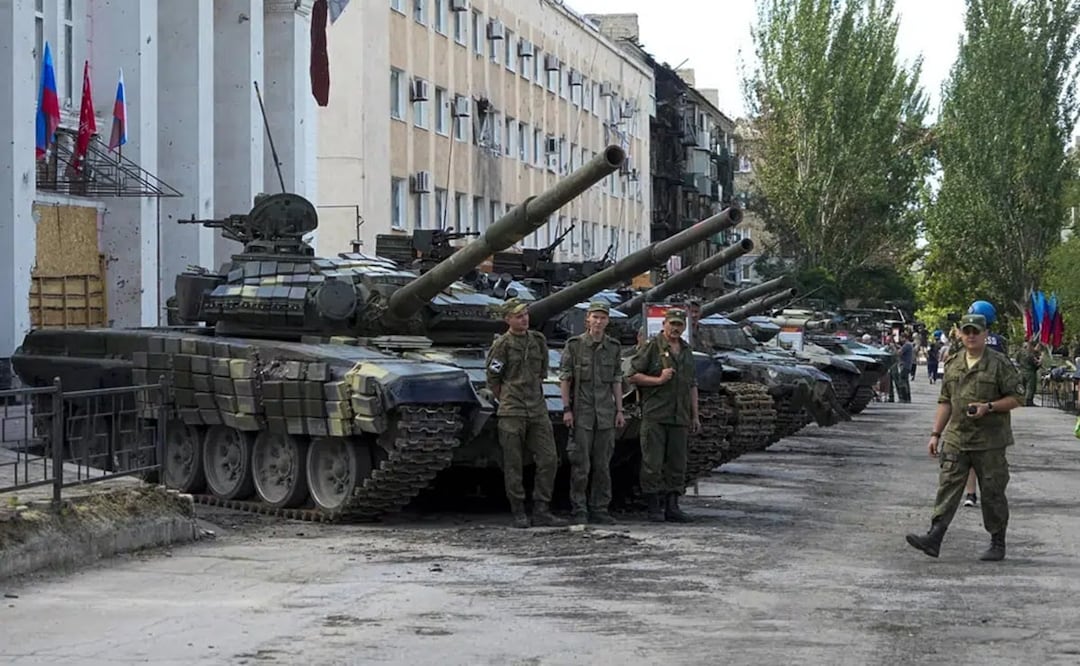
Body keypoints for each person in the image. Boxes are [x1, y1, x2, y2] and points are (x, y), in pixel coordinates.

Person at [905, 313, 1024, 561]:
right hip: (957, 437)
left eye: (975, 331)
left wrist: (988, 407)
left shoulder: (999, 364)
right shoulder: (954, 363)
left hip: (990, 441)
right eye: (966, 331)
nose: (970, 335)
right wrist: (935, 434)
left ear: (985, 334)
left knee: (992, 492)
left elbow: (1016, 398)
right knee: (948, 486)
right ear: (959, 333)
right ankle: (934, 537)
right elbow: (945, 401)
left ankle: (997, 542)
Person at [486, 299, 567, 529]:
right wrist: (509, 398)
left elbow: (542, 372)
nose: (524, 318)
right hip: (512, 410)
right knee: (513, 463)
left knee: (549, 459)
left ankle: (542, 509)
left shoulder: (538, 340)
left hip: (537, 407)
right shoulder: (502, 345)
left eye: (526, 314)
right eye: (518, 315)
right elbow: (493, 378)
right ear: (508, 319)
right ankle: (518, 510)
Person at [627, 308, 701, 522]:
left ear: (684, 327)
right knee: (653, 462)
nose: (675, 328)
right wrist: (658, 380)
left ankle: (672, 506)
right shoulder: (652, 347)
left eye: (679, 324)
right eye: (672, 324)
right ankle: (653, 507)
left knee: (677, 462)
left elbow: (692, 385)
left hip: (679, 415)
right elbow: (632, 375)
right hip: (656, 414)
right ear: (664, 325)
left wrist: (695, 415)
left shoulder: (686, 350)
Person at [559, 301, 626, 525]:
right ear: (587, 319)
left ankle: (600, 508)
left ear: (607, 320)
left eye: (602, 318)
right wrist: (567, 408)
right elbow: (565, 378)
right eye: (595, 317)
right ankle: (579, 508)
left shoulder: (614, 347)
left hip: (606, 413)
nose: (598, 321)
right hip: (582, 412)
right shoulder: (575, 345)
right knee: (581, 465)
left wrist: (619, 410)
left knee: (602, 465)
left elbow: (617, 379)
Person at [1017, 341, 1040, 407]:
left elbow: (1017, 360)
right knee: (1030, 387)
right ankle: (1028, 401)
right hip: (1030, 372)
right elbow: (1035, 364)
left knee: (1022, 386)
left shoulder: (1020, 353)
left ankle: (1021, 400)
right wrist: (1040, 362)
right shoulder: (1030, 355)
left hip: (1022, 371)